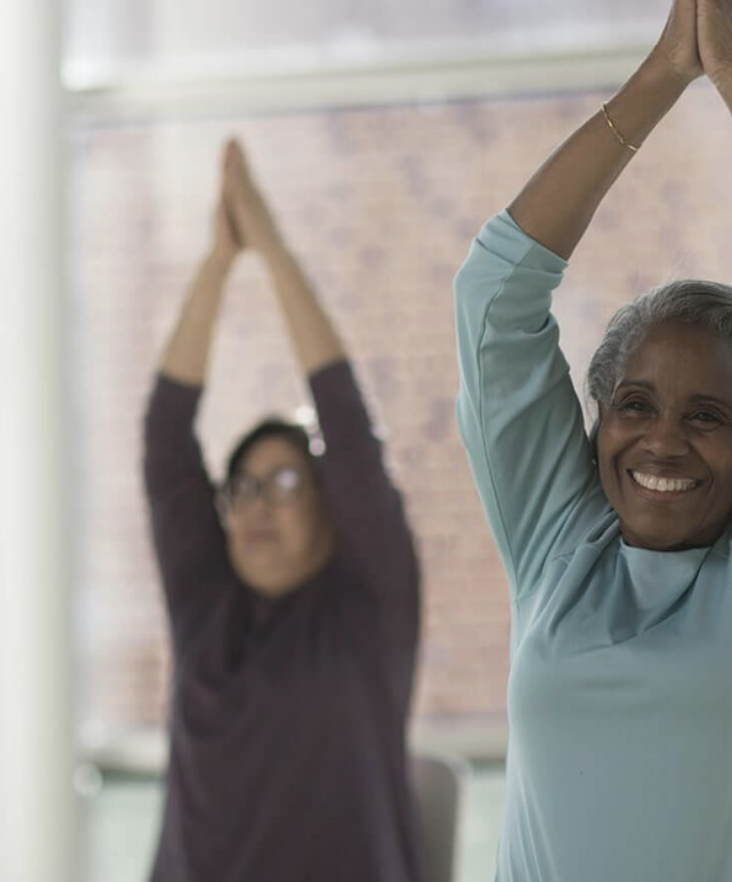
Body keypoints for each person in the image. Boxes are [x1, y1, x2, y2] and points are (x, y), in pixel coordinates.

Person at [453, 0, 732, 879]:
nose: (660, 443)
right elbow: (492, 296)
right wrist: (666, 71)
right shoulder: (558, 543)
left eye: (706, 417)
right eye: (635, 405)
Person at [144, 140, 423, 881]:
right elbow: (166, 436)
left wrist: (271, 251)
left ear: (336, 510)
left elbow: (348, 426)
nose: (259, 504)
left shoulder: (370, 610)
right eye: (244, 486)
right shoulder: (204, 605)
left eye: (289, 483)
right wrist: (216, 263)